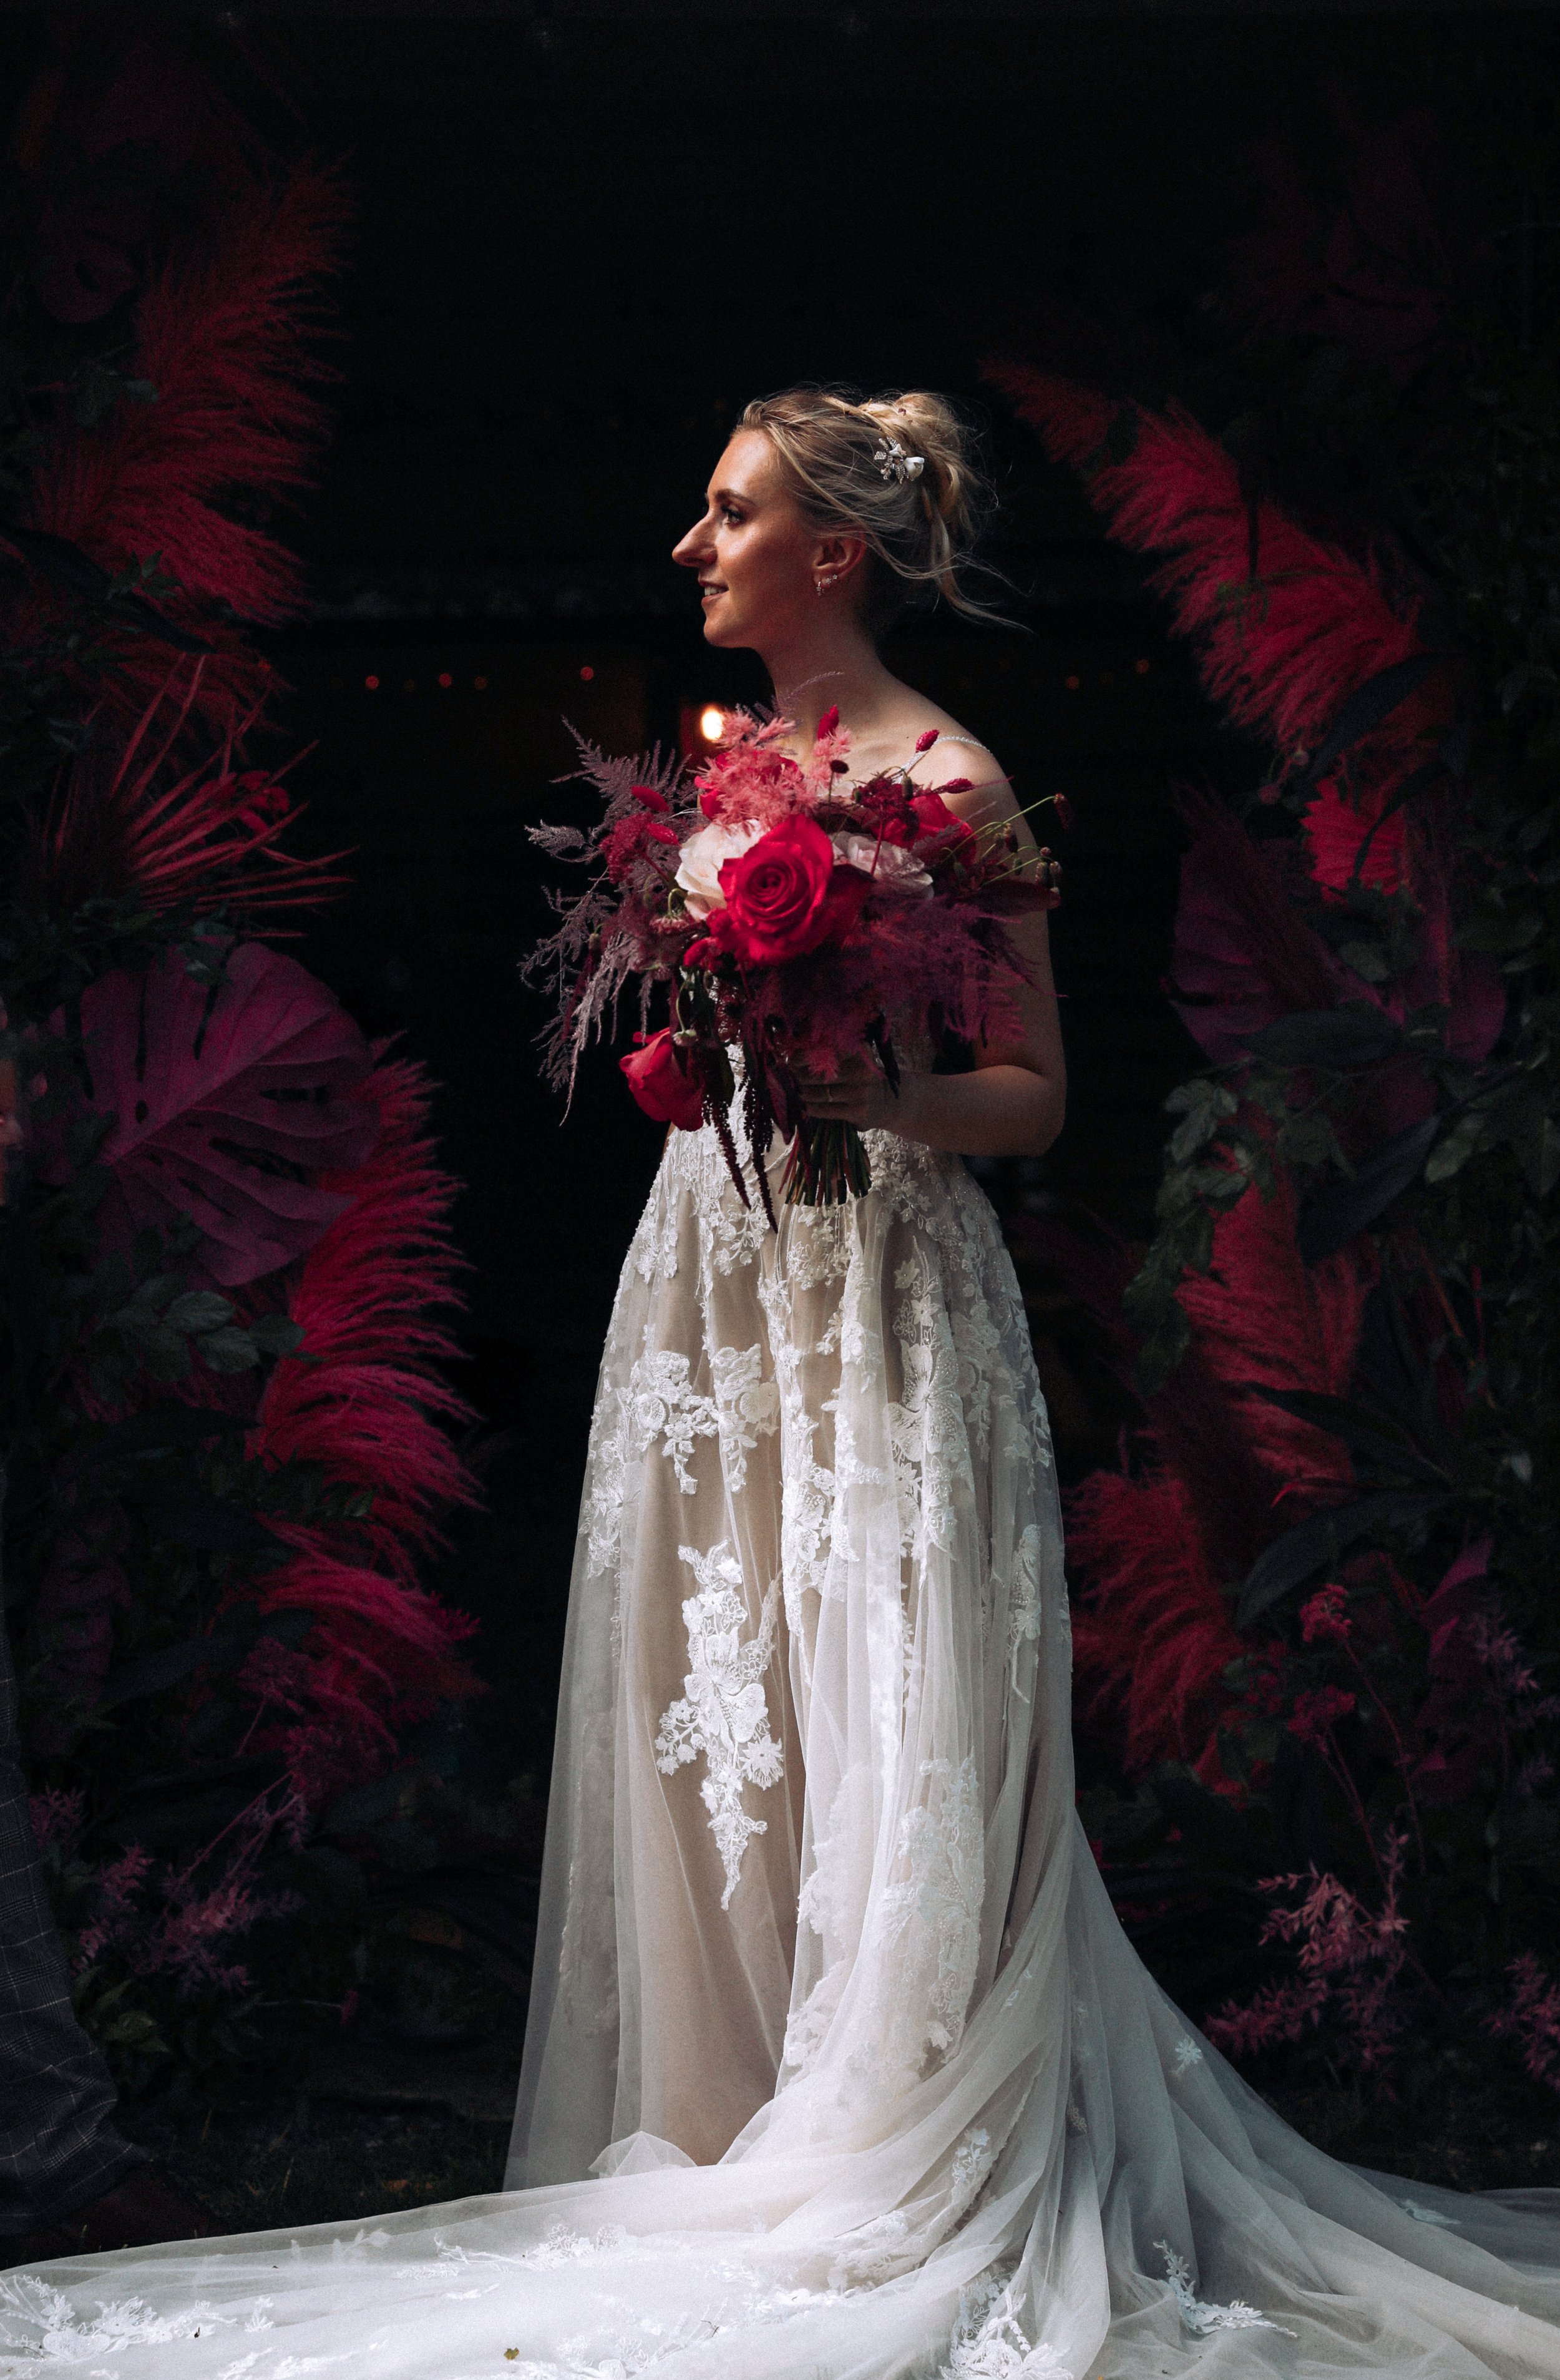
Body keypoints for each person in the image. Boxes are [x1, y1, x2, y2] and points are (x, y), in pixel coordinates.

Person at [2, 388, 1557, 2379]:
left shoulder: (951, 774)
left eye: (725, 513)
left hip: (881, 1289)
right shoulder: (727, 771)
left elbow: (1031, 1098)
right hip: (718, 1283)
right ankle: (742, 2105)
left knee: (882, 1672)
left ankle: (892, 2119)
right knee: (716, 1684)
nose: (687, 546)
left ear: (833, 553)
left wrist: (846, 1084)